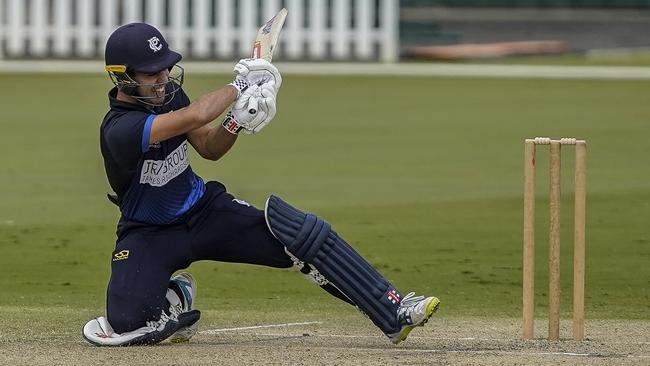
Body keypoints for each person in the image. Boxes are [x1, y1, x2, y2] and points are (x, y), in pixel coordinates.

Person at [82, 22, 440, 347]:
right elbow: (196, 115)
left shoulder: (171, 96)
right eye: (150, 74)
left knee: (300, 237)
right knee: (127, 322)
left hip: (205, 212)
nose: (162, 79)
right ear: (124, 78)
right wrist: (239, 85)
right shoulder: (120, 129)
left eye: (165, 68)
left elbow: (209, 148)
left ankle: (393, 308)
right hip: (148, 232)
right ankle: (175, 297)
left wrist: (236, 123)